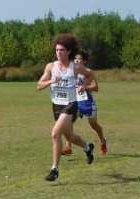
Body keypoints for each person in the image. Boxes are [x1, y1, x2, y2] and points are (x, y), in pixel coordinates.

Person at [36, 33, 96, 182]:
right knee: (70, 137)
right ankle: (88, 147)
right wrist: (50, 81)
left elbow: (90, 74)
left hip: (70, 105)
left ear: (69, 51)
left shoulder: (75, 67)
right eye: (57, 50)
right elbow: (38, 86)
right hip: (56, 105)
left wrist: (83, 85)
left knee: (55, 134)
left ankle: (54, 169)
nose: (58, 52)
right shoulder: (50, 67)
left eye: (61, 50)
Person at [61, 53, 107, 156]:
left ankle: (103, 141)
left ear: (84, 61)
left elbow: (96, 87)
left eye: (79, 59)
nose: (76, 60)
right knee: (68, 123)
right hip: (75, 102)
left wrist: (85, 87)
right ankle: (68, 147)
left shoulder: (88, 72)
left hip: (87, 102)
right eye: (75, 59)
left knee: (94, 125)